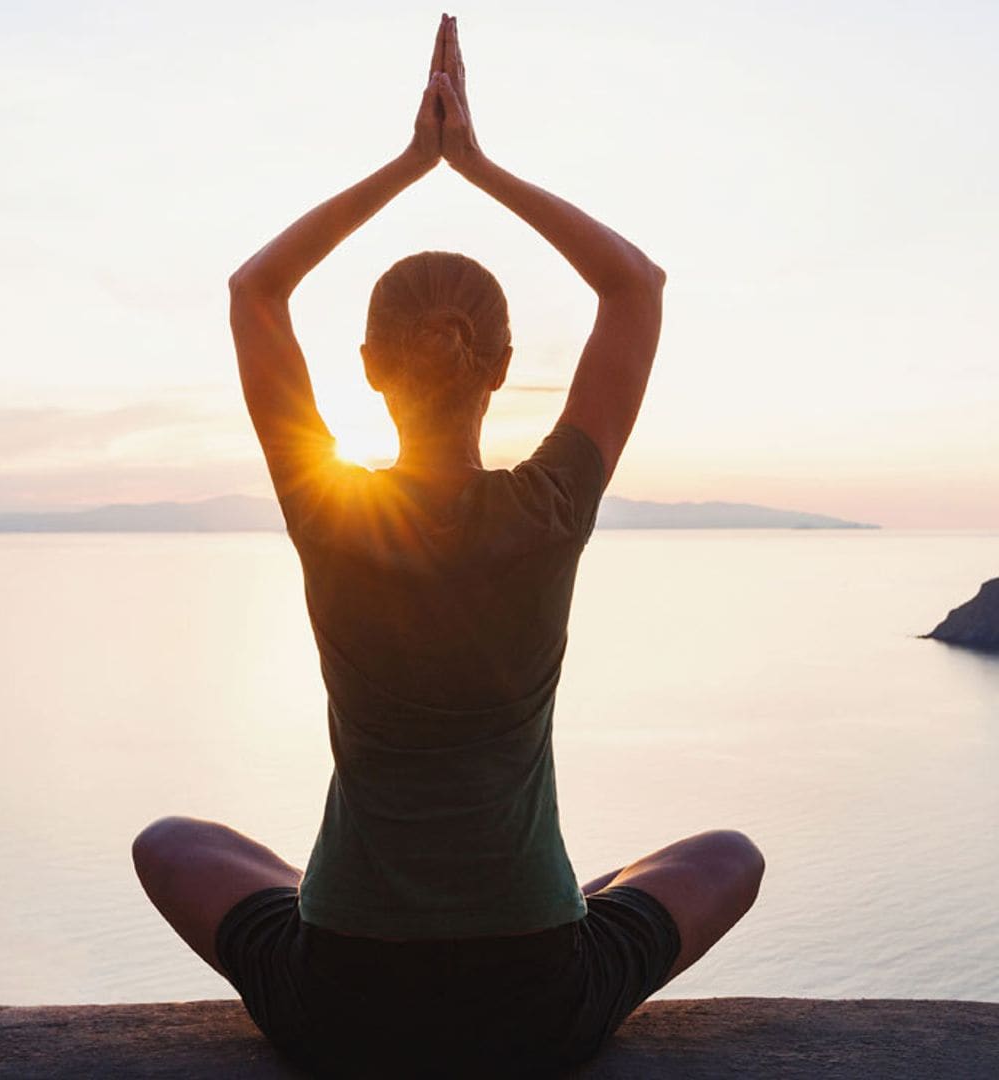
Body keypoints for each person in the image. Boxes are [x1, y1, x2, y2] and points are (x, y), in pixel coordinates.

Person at [132, 14, 764, 1078]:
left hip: (345, 997)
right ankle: (544, 898)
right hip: (536, 999)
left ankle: (370, 900)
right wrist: (476, 165)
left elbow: (254, 294)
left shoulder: (329, 510)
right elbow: (636, 288)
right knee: (728, 858)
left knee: (170, 843)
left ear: (370, 367)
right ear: (503, 365)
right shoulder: (551, 506)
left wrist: (409, 164)